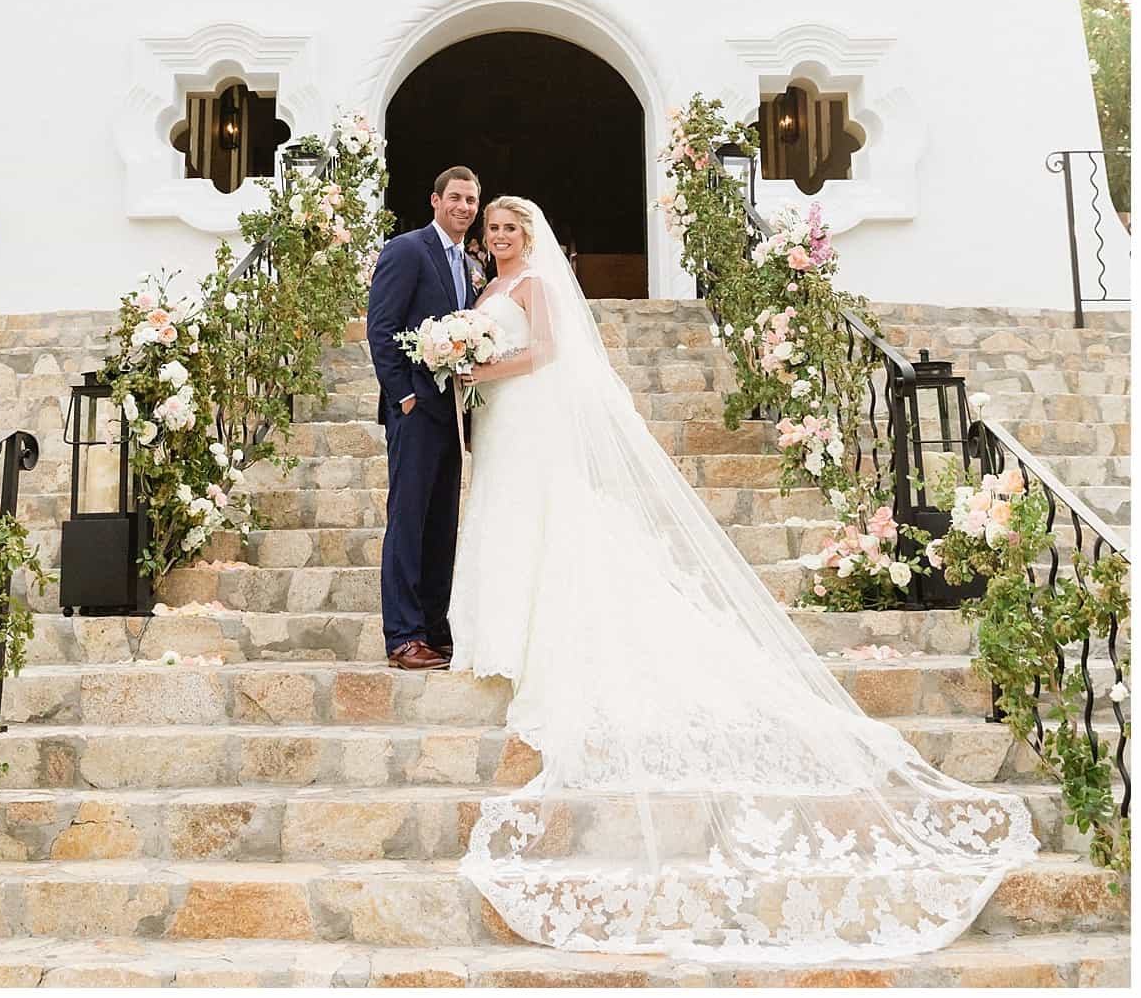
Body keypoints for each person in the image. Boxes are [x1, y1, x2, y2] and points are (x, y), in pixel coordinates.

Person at [449, 195, 1038, 966]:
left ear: (529, 235)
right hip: (502, 418)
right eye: (492, 228)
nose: (498, 236)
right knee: (503, 515)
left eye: (509, 227)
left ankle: (535, 629)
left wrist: (480, 364)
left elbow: (549, 353)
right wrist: (464, 363)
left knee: (541, 519)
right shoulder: (486, 286)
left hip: (527, 409)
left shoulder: (534, 287)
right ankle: (498, 627)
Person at [365, 166, 481, 671]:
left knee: (441, 525)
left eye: (472, 200)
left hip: (451, 415)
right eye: (455, 197)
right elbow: (382, 326)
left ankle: (435, 627)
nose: (464, 207)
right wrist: (403, 397)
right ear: (435, 201)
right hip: (415, 411)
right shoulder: (407, 249)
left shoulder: (469, 265)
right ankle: (403, 635)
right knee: (408, 521)